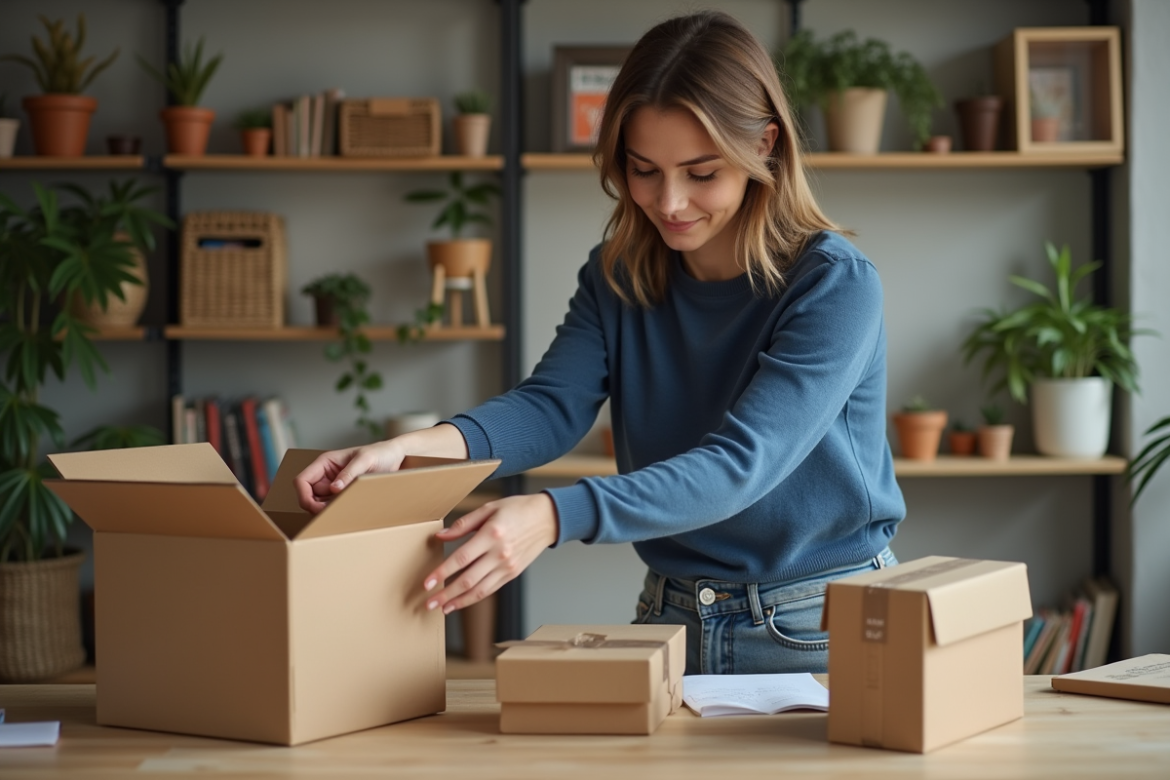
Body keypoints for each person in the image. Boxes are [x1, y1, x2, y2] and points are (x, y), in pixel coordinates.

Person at [294, 10, 906, 675]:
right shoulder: (618, 273)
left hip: (815, 622)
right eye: (644, 170)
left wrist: (554, 516)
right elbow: (552, 405)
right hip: (671, 616)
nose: (669, 202)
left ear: (765, 146)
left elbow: (742, 465)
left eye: (701, 173)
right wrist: (410, 451)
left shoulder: (834, 285)